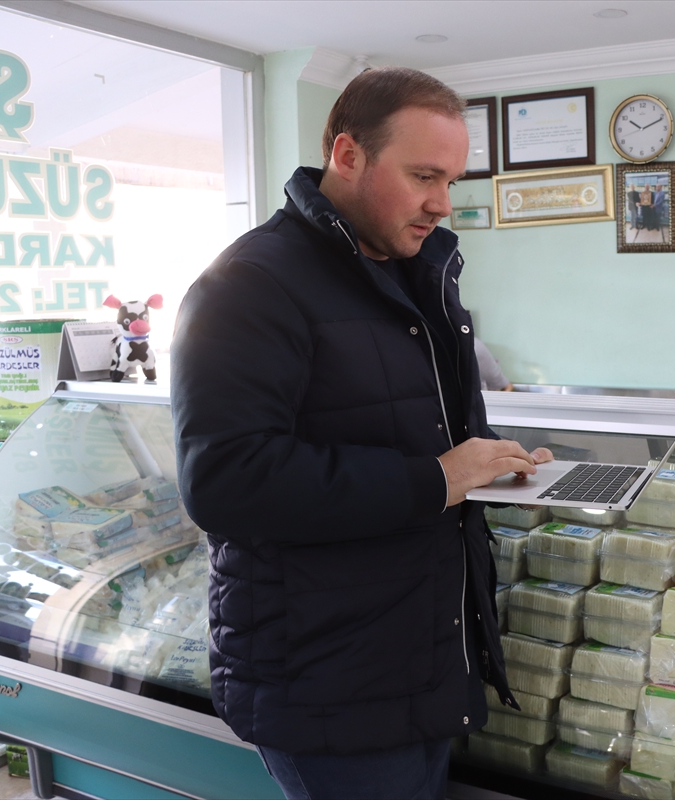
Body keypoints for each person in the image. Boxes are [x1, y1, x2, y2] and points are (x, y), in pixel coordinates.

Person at [170, 67, 551, 800]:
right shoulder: (249, 283)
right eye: (423, 176)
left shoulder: (417, 272)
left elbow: (414, 424)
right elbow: (226, 481)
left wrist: (491, 459)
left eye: (451, 181)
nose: (442, 203)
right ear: (347, 156)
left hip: (419, 659)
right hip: (325, 683)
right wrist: (439, 478)